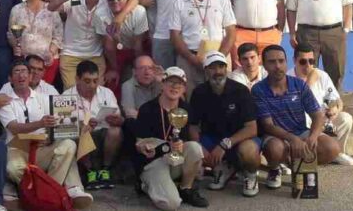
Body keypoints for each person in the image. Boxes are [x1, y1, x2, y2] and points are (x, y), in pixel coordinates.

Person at [0, 60, 94, 209]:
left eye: (24, 71)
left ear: (30, 77)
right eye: (16, 72)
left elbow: (61, 123)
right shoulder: (5, 100)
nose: (21, 75)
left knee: (69, 145)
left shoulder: (43, 98)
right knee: (11, 167)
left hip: (41, 148)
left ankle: (46, 192)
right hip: (17, 150)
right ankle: (50, 192)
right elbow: (14, 127)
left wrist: (80, 126)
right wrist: (40, 123)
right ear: (10, 79)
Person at [252, 45, 340, 189]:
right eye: (272, 62)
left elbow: (317, 115)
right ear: (264, 65)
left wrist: (312, 137)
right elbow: (267, 125)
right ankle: (275, 168)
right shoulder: (258, 89)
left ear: (287, 63)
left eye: (281, 61)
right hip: (275, 136)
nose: (277, 66)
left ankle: (300, 167)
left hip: (300, 131)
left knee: (332, 148)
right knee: (275, 149)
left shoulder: (299, 85)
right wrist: (292, 139)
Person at [188, 52, 261, 197]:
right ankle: (225, 167)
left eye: (221, 67)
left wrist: (224, 145)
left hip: (240, 139)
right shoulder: (199, 92)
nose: (218, 72)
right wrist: (200, 148)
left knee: (249, 151)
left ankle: (250, 175)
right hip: (213, 139)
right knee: (193, 147)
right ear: (205, 70)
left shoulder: (241, 91)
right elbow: (193, 126)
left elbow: (252, 128)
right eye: (212, 68)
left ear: (226, 69)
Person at [134, 66, 208, 210]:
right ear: (162, 84)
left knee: (194, 147)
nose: (175, 87)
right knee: (171, 204)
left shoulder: (186, 109)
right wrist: (149, 146)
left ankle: (186, 189)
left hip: (175, 159)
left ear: (184, 88)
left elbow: (189, 140)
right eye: (170, 82)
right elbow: (139, 143)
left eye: (179, 83)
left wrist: (182, 146)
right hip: (153, 162)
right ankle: (145, 185)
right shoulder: (147, 109)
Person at [169, 0, 236, 97]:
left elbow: (231, 33)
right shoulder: (179, 2)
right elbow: (175, 36)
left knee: (222, 98)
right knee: (191, 99)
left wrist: (218, 59)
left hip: (219, 57)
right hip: (189, 59)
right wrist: (191, 59)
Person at [288, 44, 353, 165]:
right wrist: (309, 82)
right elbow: (295, 105)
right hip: (303, 125)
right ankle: (313, 155)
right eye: (303, 61)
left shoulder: (321, 75)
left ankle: (338, 153)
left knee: (346, 119)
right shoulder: (288, 78)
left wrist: (335, 109)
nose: (308, 65)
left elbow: (336, 99)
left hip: (323, 120)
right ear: (294, 61)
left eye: (311, 61)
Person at [63, 61, 122, 191]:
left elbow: (118, 117)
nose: (92, 85)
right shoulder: (66, 96)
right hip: (82, 137)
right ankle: (90, 171)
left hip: (103, 135)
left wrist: (115, 119)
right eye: (87, 81)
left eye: (95, 81)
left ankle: (105, 170)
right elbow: (63, 126)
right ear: (77, 79)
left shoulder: (107, 93)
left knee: (116, 131)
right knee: (79, 130)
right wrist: (83, 124)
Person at [49, 0, 108, 89]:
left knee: (97, 93)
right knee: (72, 92)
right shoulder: (77, 1)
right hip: (71, 54)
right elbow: (51, 8)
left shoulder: (104, 4)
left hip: (95, 55)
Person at [95, 0, 148, 98]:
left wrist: (136, 69)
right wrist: (115, 69)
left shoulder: (139, 12)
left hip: (136, 50)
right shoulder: (100, 14)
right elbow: (108, 46)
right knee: (111, 81)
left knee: (138, 78)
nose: (115, 1)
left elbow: (138, 45)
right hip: (115, 52)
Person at [8, 0, 63, 83]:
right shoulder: (16, 9)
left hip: (47, 61)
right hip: (24, 61)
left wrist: (51, 53)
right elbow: (11, 33)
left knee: (44, 93)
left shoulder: (50, 8)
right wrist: (15, 46)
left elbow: (59, 34)